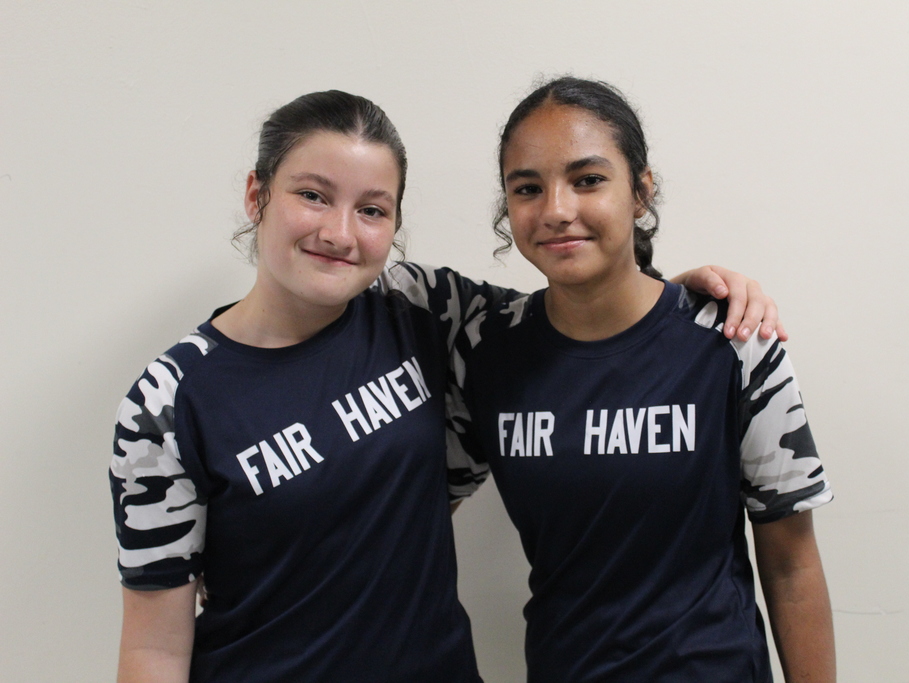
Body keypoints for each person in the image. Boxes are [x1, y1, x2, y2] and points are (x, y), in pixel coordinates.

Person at [110, 89, 784, 683]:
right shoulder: (169, 403)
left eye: (372, 209)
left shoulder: (422, 310)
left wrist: (691, 296)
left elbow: (586, 311)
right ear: (258, 194)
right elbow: (154, 647)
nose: (339, 232)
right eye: (312, 195)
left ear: (394, 224)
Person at [457, 77, 835, 683]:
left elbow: (790, 564)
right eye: (527, 188)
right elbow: (411, 502)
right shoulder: (486, 352)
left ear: (641, 191)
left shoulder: (734, 339)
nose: (556, 209)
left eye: (587, 180)